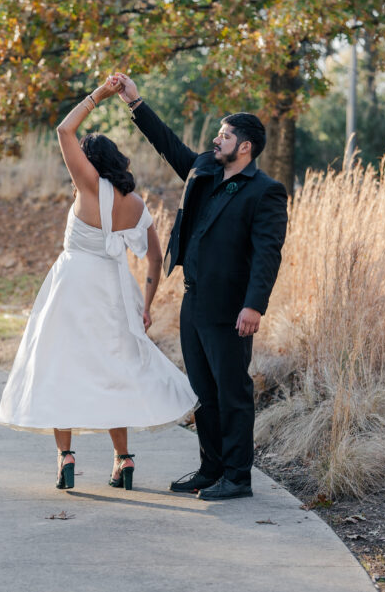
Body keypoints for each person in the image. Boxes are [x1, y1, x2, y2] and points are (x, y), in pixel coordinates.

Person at [0, 77, 198, 492]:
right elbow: (155, 259)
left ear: (87, 163)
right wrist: (145, 304)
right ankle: (124, 460)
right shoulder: (136, 204)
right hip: (115, 291)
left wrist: (98, 96)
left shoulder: (88, 187)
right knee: (114, 370)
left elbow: (63, 130)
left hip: (71, 288)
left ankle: (65, 456)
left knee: (59, 366)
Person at [112, 72, 288, 501]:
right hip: (194, 300)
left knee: (232, 392)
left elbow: (268, 254)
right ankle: (211, 469)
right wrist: (135, 103)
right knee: (202, 392)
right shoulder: (205, 168)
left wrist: (254, 307)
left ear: (244, 146)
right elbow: (167, 143)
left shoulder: (265, 192)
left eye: (225, 136)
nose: (217, 140)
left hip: (231, 307)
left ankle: (238, 477)